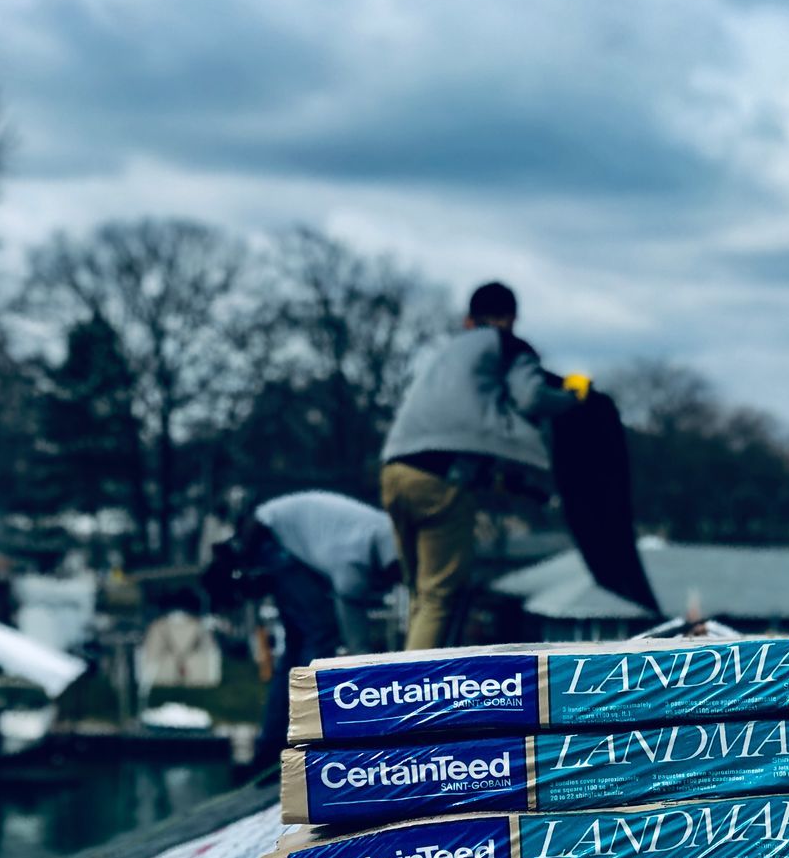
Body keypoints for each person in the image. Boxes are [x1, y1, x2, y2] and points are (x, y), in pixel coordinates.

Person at [380, 281, 584, 649]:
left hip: (393, 471)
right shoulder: (509, 346)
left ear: (467, 320)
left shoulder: (448, 354)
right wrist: (572, 397)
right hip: (441, 480)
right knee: (440, 596)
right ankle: (412, 694)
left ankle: (397, 683)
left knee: (418, 593)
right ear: (510, 318)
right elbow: (531, 396)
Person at [214, 491, 401, 768]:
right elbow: (357, 641)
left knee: (298, 646)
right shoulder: (353, 564)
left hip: (279, 535)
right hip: (270, 535)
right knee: (321, 632)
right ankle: (303, 735)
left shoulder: (385, 533)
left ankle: (274, 744)